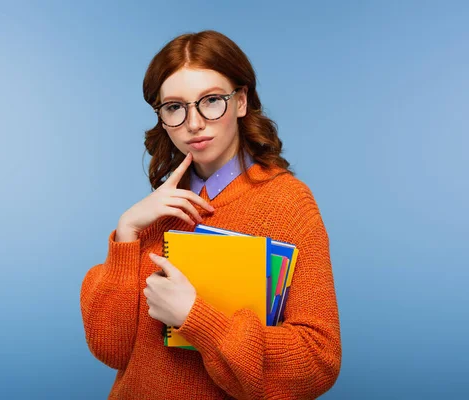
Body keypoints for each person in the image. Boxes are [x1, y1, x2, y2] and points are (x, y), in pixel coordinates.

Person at [80, 30, 341, 399]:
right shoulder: (156, 211)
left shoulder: (288, 202)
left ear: (241, 102)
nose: (194, 123)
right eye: (175, 107)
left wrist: (197, 319)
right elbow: (111, 350)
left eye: (211, 101)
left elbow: (318, 361)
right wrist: (126, 233)